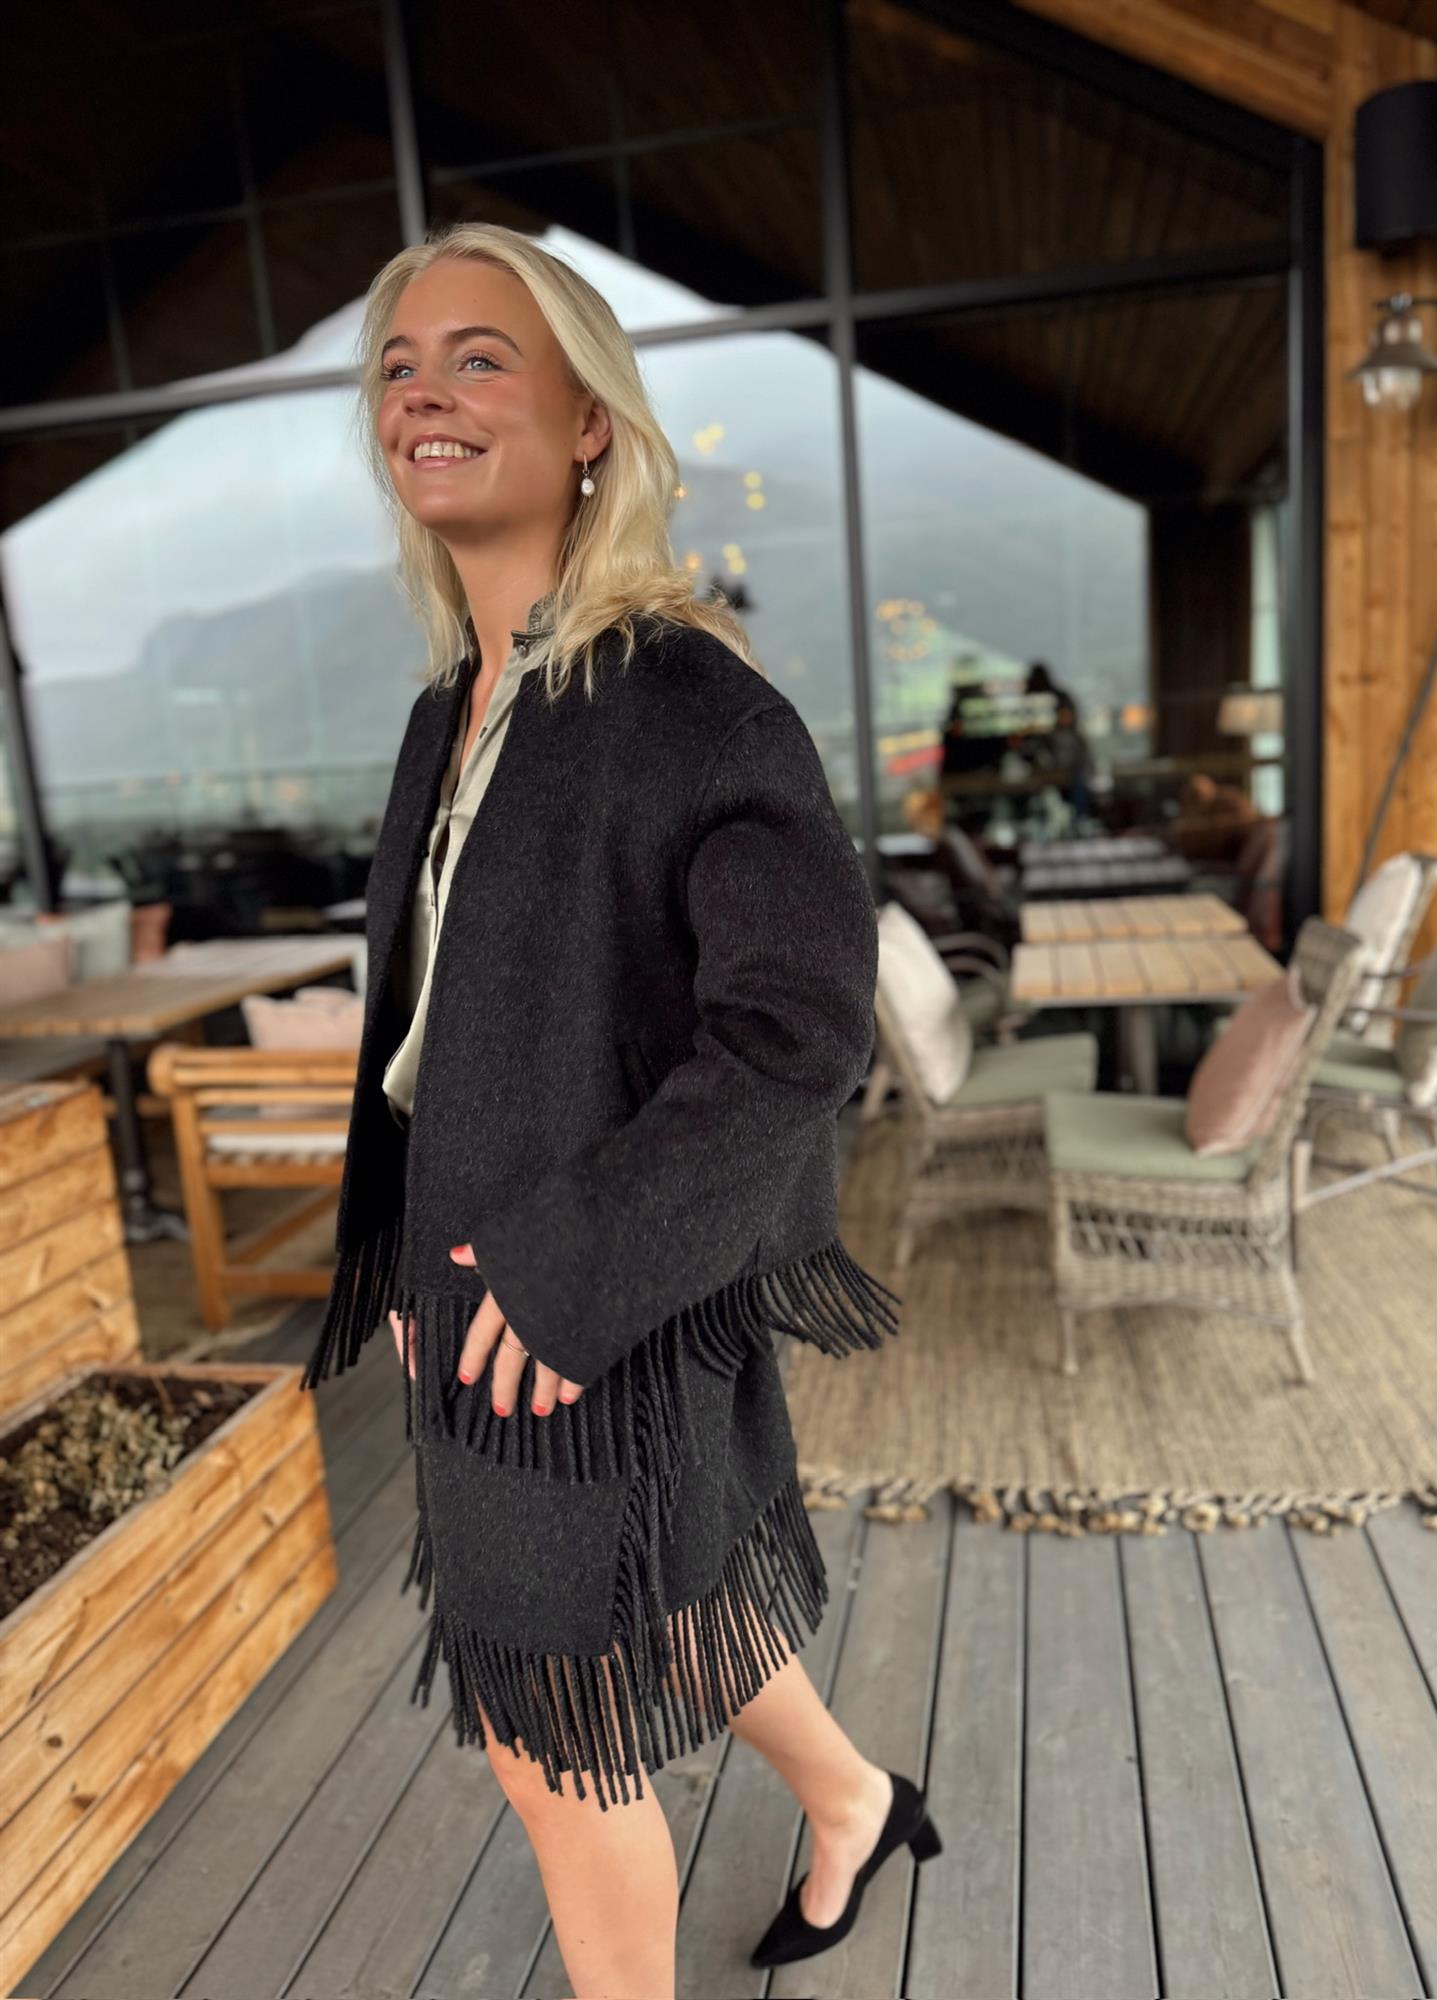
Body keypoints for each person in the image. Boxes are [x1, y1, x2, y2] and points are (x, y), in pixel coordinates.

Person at [297, 222, 941, 1998]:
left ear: (591, 420)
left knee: (556, 1741)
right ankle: (858, 1802)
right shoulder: (450, 712)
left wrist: (575, 1263)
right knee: (681, 1596)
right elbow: (440, 1025)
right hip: (476, 1272)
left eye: (478, 358)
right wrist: (408, 1242)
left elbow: (800, 1027)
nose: (423, 393)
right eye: (399, 366)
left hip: (585, 1294)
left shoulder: (688, 704)